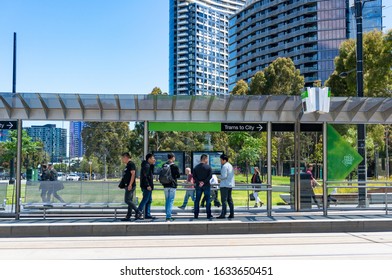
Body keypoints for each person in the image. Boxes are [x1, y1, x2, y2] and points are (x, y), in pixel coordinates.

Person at [120, 152, 142, 221]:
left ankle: (138, 211)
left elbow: (133, 174)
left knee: (127, 200)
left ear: (126, 157)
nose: (122, 159)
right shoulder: (127, 165)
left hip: (130, 185)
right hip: (127, 185)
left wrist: (130, 184)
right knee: (130, 200)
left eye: (123, 158)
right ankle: (128, 216)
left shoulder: (131, 164)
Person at [161, 153, 180, 222]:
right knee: (170, 200)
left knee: (167, 200)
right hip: (172, 185)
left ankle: (167, 215)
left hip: (165, 185)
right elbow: (178, 176)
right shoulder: (175, 166)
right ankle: (168, 217)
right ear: (173, 158)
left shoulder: (164, 165)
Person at [193, 154, 213, 219]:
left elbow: (194, 176)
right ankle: (208, 214)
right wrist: (204, 182)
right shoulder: (208, 167)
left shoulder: (196, 167)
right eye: (207, 159)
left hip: (198, 186)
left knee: (197, 200)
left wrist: (199, 182)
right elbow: (210, 176)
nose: (207, 160)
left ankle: (196, 214)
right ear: (205, 159)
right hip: (206, 185)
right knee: (207, 200)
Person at [137, 153, 156, 219]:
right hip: (146, 186)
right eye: (153, 158)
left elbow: (151, 174)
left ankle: (147, 214)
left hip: (148, 186)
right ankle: (138, 212)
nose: (154, 159)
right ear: (149, 159)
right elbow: (145, 177)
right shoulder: (146, 166)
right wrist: (147, 185)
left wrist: (153, 165)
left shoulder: (148, 165)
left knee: (149, 200)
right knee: (145, 199)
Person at [217, 154, 235, 219]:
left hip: (224, 185)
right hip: (230, 185)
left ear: (224, 160)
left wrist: (218, 177)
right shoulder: (230, 165)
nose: (220, 161)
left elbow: (224, 176)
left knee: (224, 200)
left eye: (221, 160)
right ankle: (232, 213)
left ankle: (223, 214)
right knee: (229, 200)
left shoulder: (224, 166)